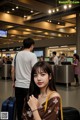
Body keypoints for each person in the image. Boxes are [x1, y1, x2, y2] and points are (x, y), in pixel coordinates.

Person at [11, 38, 37, 120]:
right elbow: (35, 71)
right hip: (29, 85)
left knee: (19, 105)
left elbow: (12, 70)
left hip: (18, 85)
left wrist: (13, 82)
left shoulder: (16, 55)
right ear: (32, 45)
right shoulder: (32, 55)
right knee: (29, 106)